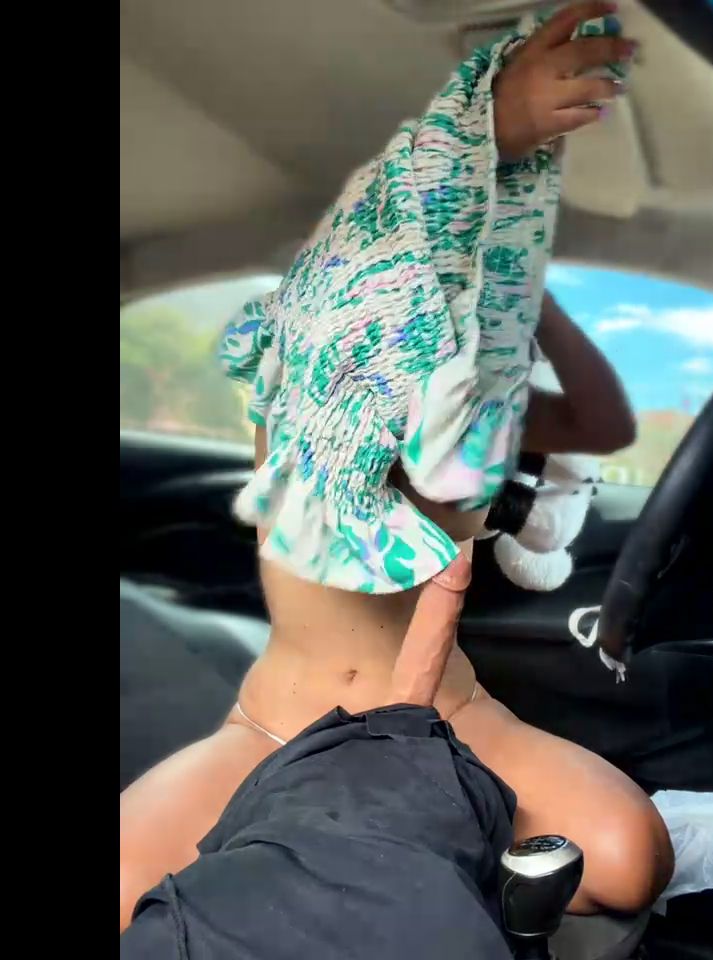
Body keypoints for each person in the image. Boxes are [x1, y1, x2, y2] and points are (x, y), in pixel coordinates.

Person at [120, 1, 674, 934]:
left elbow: (605, 422)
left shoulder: (479, 410)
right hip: (277, 727)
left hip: (446, 714)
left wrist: (527, 300)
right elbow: (356, 273)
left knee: (629, 858)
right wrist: (490, 126)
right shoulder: (314, 379)